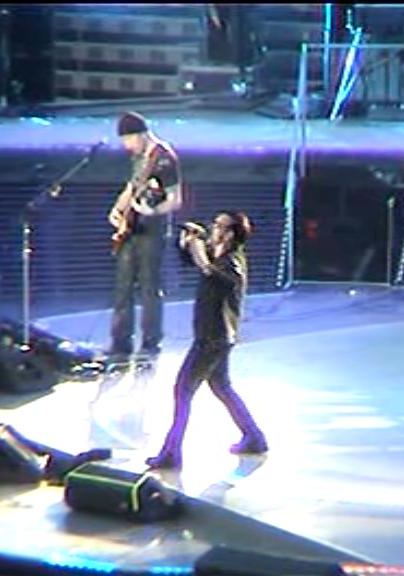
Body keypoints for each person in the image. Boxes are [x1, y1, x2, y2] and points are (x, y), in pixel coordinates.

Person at [145, 211, 268, 469]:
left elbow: (213, 274)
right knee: (221, 387)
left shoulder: (232, 262)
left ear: (231, 233)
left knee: (183, 390)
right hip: (214, 336)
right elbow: (193, 261)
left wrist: (199, 252)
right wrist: (187, 243)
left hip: (213, 338)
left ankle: (171, 453)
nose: (214, 228)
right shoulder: (218, 254)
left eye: (220, 226)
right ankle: (254, 437)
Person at [107, 111, 183, 362]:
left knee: (150, 287)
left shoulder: (164, 158)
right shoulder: (139, 157)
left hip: (152, 231)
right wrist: (118, 209)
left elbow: (175, 200)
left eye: (128, 140)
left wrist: (153, 211)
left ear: (140, 135)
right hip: (131, 228)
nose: (126, 146)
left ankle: (150, 343)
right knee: (123, 287)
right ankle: (120, 344)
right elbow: (133, 186)